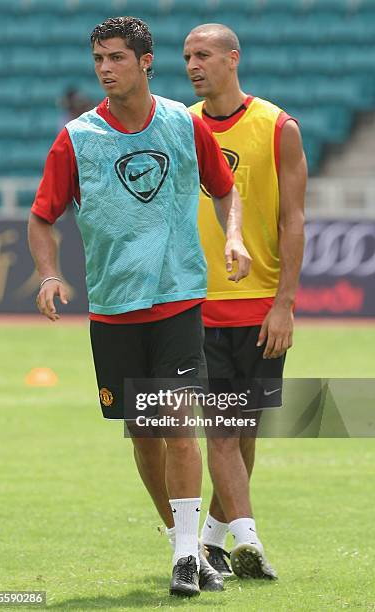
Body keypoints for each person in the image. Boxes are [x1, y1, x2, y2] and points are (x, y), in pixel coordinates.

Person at [28, 17, 251, 598]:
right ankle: (187, 544)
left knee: (178, 423)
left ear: (146, 62)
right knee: (143, 433)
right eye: (99, 58)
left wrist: (234, 236)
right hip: (112, 308)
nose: (105, 68)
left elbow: (226, 187)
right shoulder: (76, 138)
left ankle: (185, 555)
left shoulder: (182, 123)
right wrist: (50, 274)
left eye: (117, 58)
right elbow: (41, 217)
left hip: (177, 300)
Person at [183, 24, 307, 579]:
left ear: (233, 59)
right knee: (225, 433)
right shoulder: (178, 125)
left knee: (243, 433)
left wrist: (285, 303)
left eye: (203, 54)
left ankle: (211, 542)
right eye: (187, 56)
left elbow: (293, 220)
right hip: (198, 305)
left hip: (260, 310)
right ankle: (250, 543)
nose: (193, 64)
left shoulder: (278, 127)